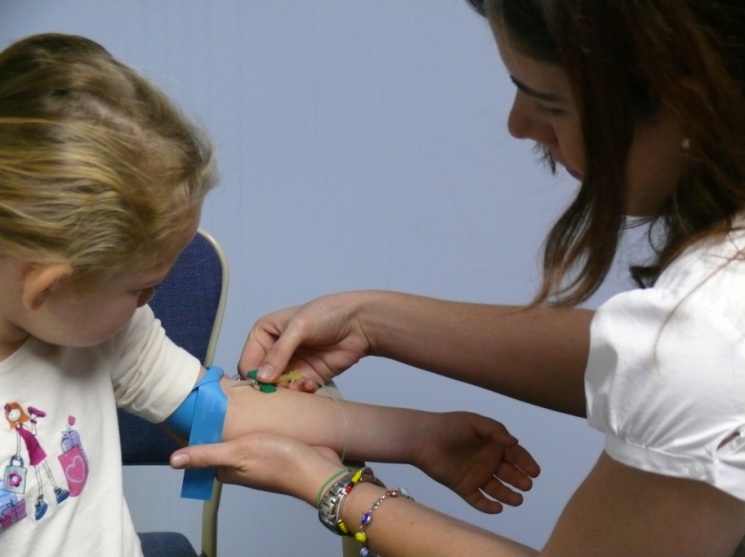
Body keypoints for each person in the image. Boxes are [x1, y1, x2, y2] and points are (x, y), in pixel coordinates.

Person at [170, 1, 745, 556]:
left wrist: (331, 488)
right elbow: (660, 363)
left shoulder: (710, 335)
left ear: (687, 101)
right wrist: (372, 325)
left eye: (551, 103)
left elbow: (689, 364)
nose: (518, 125)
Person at [0, 33, 540, 557]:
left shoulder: (96, 330)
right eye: (141, 288)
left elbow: (218, 409)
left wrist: (420, 437)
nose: (149, 303)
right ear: (51, 285)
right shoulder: (84, 326)